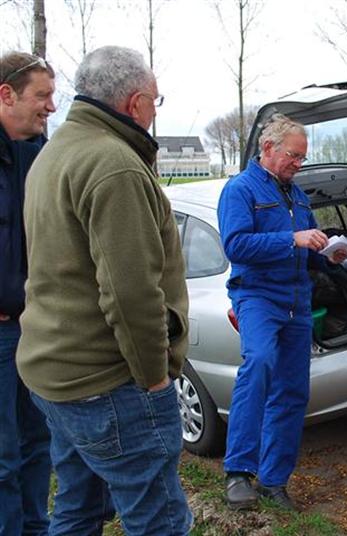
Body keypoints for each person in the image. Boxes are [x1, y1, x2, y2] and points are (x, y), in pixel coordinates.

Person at [17, 46, 192, 535]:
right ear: (136, 102)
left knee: (78, 508)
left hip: (56, 375)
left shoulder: (55, 151)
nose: (155, 111)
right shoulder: (114, 164)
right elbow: (131, 293)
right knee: (159, 521)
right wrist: (154, 379)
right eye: (156, 101)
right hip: (108, 384)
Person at [218, 113, 347, 511]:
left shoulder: (298, 195)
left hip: (297, 301)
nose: (298, 163)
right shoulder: (240, 189)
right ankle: (238, 472)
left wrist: (330, 255)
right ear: (268, 148)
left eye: (303, 157)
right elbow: (236, 246)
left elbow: (309, 248)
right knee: (258, 363)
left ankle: (274, 482)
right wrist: (291, 238)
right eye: (293, 155)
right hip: (258, 296)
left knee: (293, 390)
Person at [0, 51, 55, 536]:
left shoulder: (41, 154)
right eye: (42, 95)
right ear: (7, 95)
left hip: (36, 327)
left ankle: (36, 528)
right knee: (2, 455)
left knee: (39, 442)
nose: (51, 106)